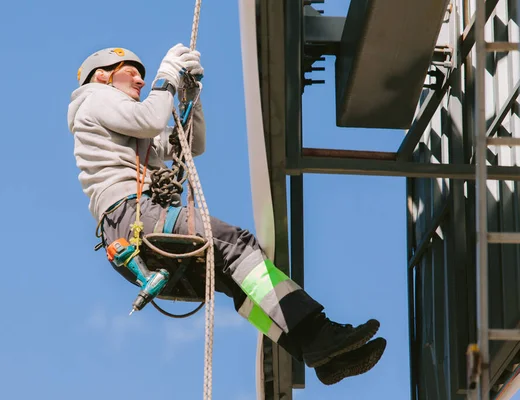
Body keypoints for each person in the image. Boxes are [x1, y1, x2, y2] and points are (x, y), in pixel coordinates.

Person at [67, 44, 387, 385]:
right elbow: (149, 119)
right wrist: (166, 76)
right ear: (102, 75)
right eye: (131, 72)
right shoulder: (92, 97)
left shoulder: (124, 123)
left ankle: (314, 350)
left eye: (145, 76)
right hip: (135, 217)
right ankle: (320, 334)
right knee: (236, 244)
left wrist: (191, 96)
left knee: (238, 281)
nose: (141, 80)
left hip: (132, 226)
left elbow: (190, 147)